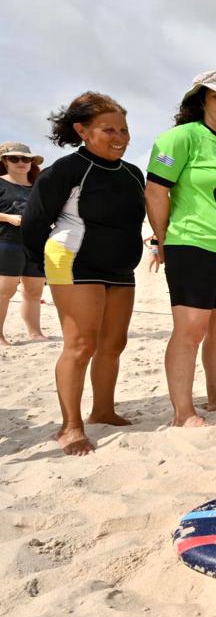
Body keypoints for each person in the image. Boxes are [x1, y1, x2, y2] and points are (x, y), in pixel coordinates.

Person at [21, 92, 145, 455]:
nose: (119, 136)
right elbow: (34, 223)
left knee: (113, 344)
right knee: (80, 346)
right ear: (82, 130)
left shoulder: (133, 174)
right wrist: (38, 270)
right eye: (108, 129)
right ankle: (70, 426)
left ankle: (103, 410)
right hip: (73, 261)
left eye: (124, 129)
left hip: (120, 267)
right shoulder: (66, 170)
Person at [144, 70, 216, 427]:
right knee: (191, 329)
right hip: (190, 244)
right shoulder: (179, 138)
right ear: (201, 102)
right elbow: (156, 191)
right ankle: (183, 412)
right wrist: (161, 241)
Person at [0, 142, 46, 345]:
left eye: (26, 159)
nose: (21, 162)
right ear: (4, 161)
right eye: (15, 158)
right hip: (7, 243)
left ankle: (35, 332)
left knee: (34, 291)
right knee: (4, 292)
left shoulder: (39, 186)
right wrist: (8, 218)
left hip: (35, 244)